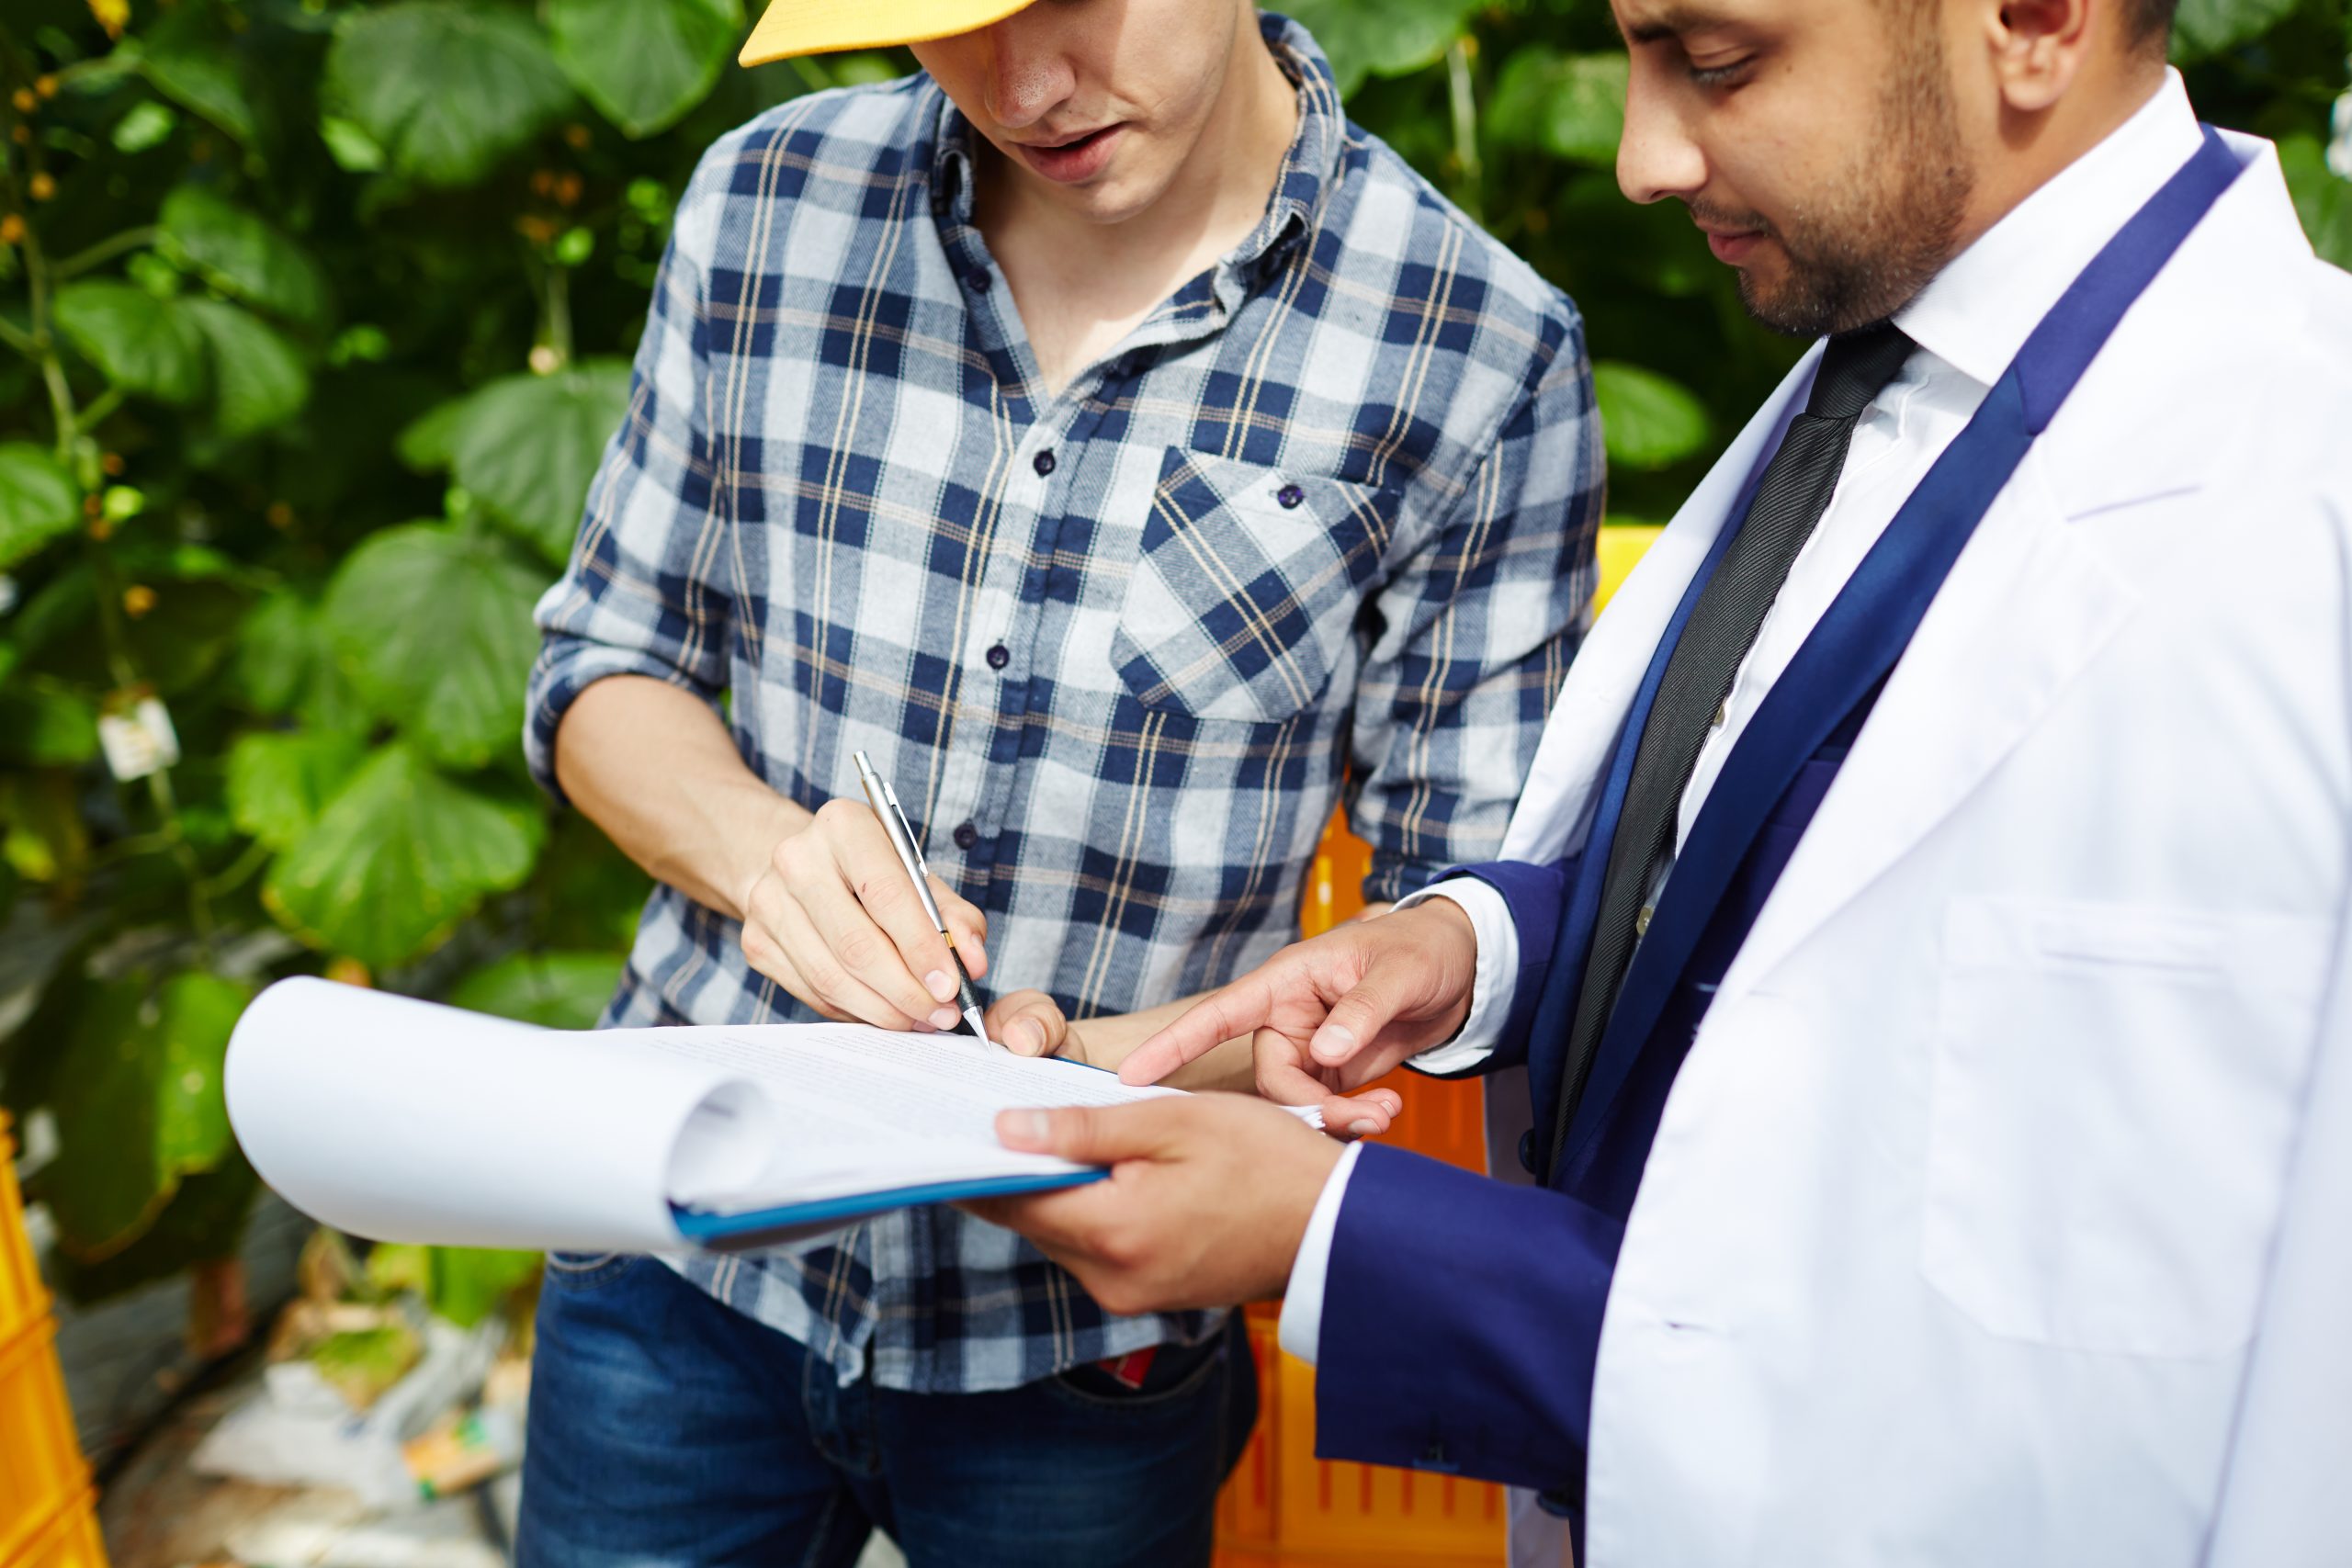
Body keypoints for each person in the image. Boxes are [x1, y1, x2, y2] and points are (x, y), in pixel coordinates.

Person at [968, 0, 2352, 1558]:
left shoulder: (2300, 522)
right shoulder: (1884, 377)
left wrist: (1333, 1236)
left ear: (2031, 22)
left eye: (1717, 62)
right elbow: (1796, 890)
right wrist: (1479, 948)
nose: (1640, 157)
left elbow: (2071, 1392)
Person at [514, 0, 1602, 1560]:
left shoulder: (1473, 348)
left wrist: (1124, 1063)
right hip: (683, 1250)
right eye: (949, 21)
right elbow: (598, 669)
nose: (1024, 87)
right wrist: (767, 859)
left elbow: (1457, 922)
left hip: (1088, 1346)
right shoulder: (767, 201)